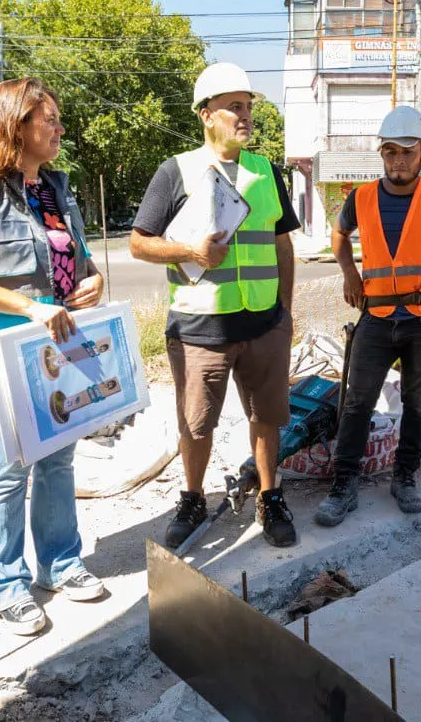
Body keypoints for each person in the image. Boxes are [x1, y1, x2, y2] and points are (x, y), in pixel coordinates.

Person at [0, 78, 107, 636]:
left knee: (57, 459)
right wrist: (26, 308)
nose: (59, 128)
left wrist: (93, 281)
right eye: (48, 119)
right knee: (9, 470)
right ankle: (4, 584)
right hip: (0, 360)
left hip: (57, 354)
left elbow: (75, 261)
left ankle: (59, 563)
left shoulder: (55, 189)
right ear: (16, 124)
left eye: (57, 118)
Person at [129, 63, 301, 549]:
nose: (246, 116)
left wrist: (285, 311)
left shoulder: (266, 171)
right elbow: (139, 244)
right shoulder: (176, 170)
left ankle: (270, 496)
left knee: (267, 417)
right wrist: (190, 252)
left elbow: (282, 244)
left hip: (265, 323)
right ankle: (192, 497)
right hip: (200, 325)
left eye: (248, 106)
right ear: (207, 116)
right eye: (234, 107)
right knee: (196, 422)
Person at [313, 105, 421, 526]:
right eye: (390, 152)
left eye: (407, 151)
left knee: (417, 402)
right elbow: (339, 234)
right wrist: (350, 272)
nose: (398, 160)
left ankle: (404, 477)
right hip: (375, 314)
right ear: (382, 154)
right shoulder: (362, 196)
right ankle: (344, 484)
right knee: (356, 402)